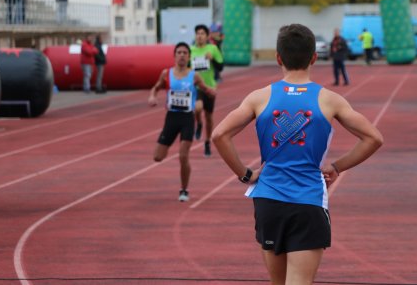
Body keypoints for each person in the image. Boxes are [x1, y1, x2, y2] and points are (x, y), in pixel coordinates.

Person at [211, 24, 383, 285]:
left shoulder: (259, 97)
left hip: (268, 201)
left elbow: (219, 135)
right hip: (308, 202)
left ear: (278, 58)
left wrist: (245, 174)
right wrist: (337, 167)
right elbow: (373, 138)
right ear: (314, 57)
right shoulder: (329, 100)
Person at [149, 42, 216, 202]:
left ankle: (184, 190)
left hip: (187, 118)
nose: (182, 55)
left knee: (183, 156)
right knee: (157, 157)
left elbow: (205, 88)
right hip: (171, 118)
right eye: (179, 52)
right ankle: (197, 126)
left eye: (185, 53)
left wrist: (210, 91)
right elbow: (156, 88)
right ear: (174, 55)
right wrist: (152, 96)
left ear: (189, 56)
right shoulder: (166, 73)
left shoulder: (194, 75)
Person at [191, 24, 223, 157]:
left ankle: (207, 141)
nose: (199, 36)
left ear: (207, 36)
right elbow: (186, 67)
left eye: (202, 33)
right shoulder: (190, 50)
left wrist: (213, 59)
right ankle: (198, 123)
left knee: (209, 117)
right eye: (197, 33)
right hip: (195, 86)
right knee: (197, 108)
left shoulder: (212, 48)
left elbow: (220, 67)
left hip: (209, 86)